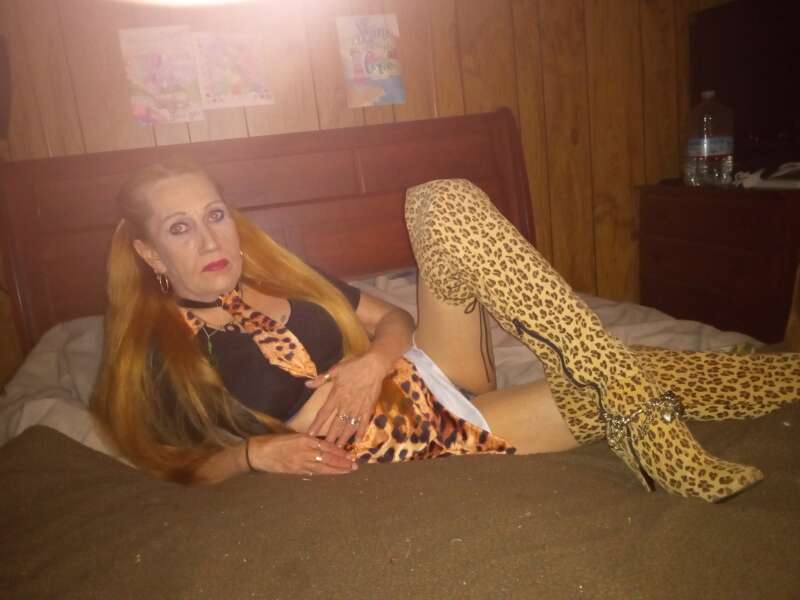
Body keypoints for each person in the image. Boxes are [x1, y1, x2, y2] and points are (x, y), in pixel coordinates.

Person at [91, 160, 799, 502]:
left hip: (433, 371)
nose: (210, 238)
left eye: (215, 214)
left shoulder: (282, 274)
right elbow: (173, 463)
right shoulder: (161, 350)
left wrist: (375, 361)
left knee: (440, 199)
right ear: (149, 252)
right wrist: (254, 455)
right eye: (180, 228)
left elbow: (393, 318)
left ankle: (644, 420)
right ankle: (704, 402)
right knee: (638, 372)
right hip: (424, 441)